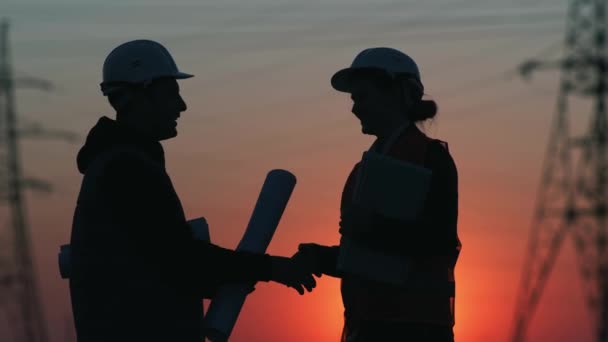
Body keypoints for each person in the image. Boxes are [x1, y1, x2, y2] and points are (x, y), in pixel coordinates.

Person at [66, 39, 316, 342]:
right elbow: (180, 259)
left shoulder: (116, 163)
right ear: (140, 95)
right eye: (172, 93)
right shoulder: (126, 168)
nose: (181, 106)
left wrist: (231, 275)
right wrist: (270, 267)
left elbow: (153, 265)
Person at [295, 47, 461, 341]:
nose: (355, 108)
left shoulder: (430, 156)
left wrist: (370, 227)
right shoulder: (366, 167)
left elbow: (439, 240)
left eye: (362, 97)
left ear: (398, 94)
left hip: (415, 330)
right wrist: (321, 258)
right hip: (372, 326)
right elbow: (369, 259)